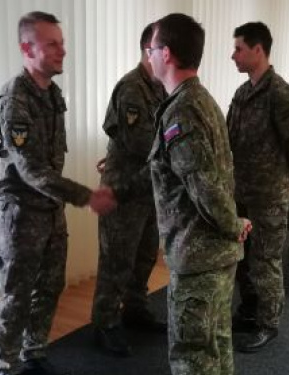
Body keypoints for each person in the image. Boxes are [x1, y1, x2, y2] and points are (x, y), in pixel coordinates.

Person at [0, 11, 117, 375]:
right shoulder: (14, 101)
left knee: (49, 286)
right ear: (27, 49)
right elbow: (30, 170)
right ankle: (6, 368)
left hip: (49, 210)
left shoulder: (51, 94)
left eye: (62, 42)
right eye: (52, 44)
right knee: (15, 294)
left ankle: (35, 353)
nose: (63, 50)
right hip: (19, 214)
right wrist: (86, 196)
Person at [147, 13, 252, 375]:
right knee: (217, 332)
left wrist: (233, 224)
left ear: (167, 53)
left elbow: (205, 188)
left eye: (152, 48)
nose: (149, 56)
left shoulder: (183, 112)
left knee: (192, 343)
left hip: (199, 250)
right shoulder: (200, 99)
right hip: (215, 249)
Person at [227, 22, 289, 353]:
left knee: (265, 260)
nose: (233, 55)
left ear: (258, 50)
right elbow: (230, 139)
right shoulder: (242, 94)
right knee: (242, 259)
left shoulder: (280, 94)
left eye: (239, 49)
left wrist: (287, 183)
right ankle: (249, 311)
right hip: (241, 193)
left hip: (270, 196)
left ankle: (268, 322)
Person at [91, 24, 168, 357]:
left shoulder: (161, 88)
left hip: (149, 190)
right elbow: (143, 143)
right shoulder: (132, 88)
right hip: (123, 192)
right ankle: (105, 322)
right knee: (117, 260)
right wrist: (179, 150)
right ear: (148, 50)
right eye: (163, 47)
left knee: (145, 254)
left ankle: (135, 309)